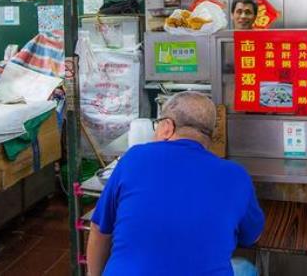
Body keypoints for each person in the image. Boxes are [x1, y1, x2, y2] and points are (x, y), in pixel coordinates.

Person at [86, 91, 265, 276]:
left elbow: (100, 229)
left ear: (167, 127)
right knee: (246, 268)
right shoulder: (236, 175)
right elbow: (252, 236)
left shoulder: (134, 158)